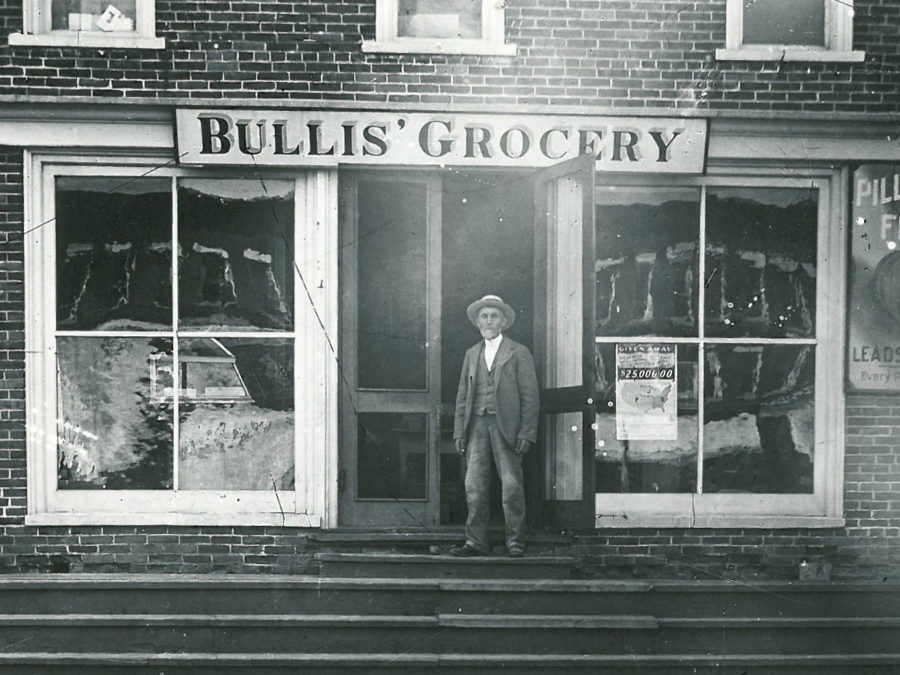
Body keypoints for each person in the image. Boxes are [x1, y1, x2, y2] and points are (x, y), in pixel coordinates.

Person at [449, 295, 539, 558]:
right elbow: (462, 396)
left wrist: (526, 432)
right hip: (476, 426)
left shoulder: (519, 352)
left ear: (503, 322)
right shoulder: (471, 354)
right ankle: (475, 541)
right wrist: (459, 431)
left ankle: (515, 541)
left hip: (507, 427)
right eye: (484, 316)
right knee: (474, 486)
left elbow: (530, 396)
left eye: (494, 316)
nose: (488, 321)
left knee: (511, 487)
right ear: (478, 322)